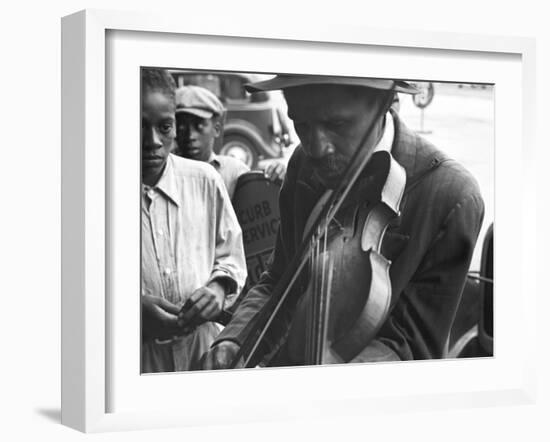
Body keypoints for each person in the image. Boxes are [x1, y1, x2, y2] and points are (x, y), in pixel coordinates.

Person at [201, 74, 485, 368]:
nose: (316, 147)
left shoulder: (451, 196)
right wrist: (234, 341)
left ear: (385, 104)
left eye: (337, 125)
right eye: (302, 124)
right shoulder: (302, 163)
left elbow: (411, 348)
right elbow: (280, 279)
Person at [140, 68, 246, 373]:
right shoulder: (98, 189)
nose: (153, 141)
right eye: (139, 126)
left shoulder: (204, 180)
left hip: (203, 356)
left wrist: (218, 289)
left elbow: (231, 257)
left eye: (164, 127)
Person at [174, 85, 286, 198]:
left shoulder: (234, 172)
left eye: (199, 126)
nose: (190, 135)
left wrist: (278, 178)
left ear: (216, 129)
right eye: (181, 126)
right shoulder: (166, 173)